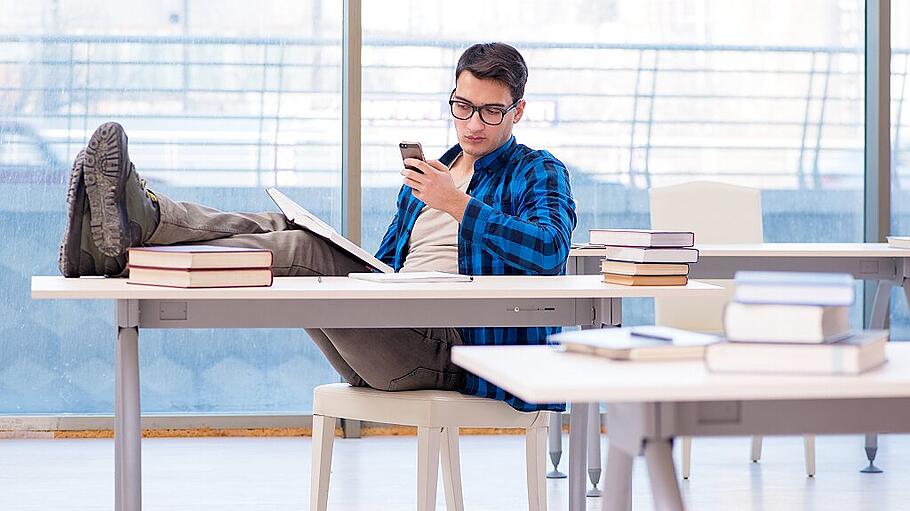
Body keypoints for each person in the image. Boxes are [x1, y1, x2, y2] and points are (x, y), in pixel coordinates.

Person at [58, 42, 576, 412]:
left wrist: (459, 204)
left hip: (456, 354)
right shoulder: (432, 173)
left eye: (490, 112)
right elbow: (386, 268)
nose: (472, 124)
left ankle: (138, 231)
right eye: (462, 107)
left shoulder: (538, 170)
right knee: (284, 227)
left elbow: (550, 251)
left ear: (518, 111)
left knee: (306, 252)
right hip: (397, 330)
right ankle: (133, 236)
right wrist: (430, 205)